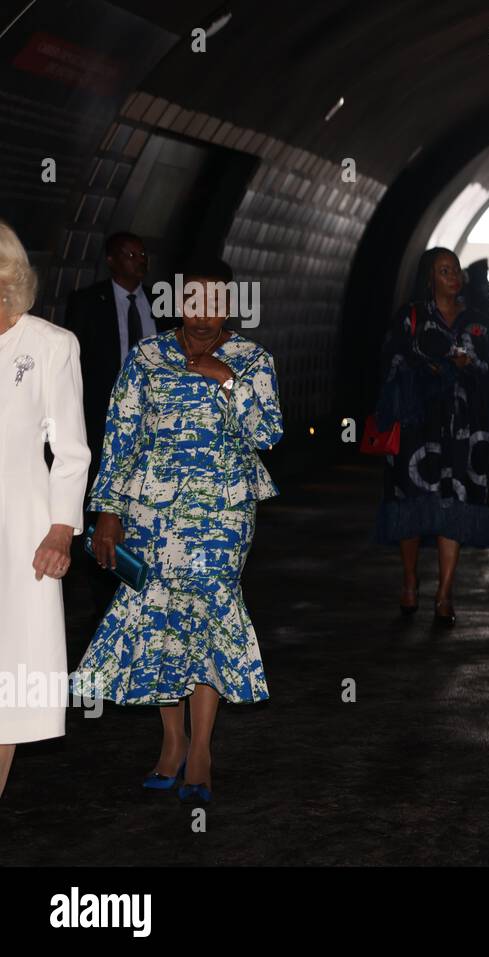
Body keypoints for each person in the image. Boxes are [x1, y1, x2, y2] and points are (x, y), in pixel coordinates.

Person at [71, 258, 283, 804]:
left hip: (222, 514)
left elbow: (269, 433)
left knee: (209, 613)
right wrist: (107, 511)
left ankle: (203, 750)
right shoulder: (146, 358)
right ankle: (172, 741)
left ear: (230, 307)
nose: (203, 315)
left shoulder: (252, 360)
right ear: (176, 304)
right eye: (193, 302)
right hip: (151, 512)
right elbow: (119, 437)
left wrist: (230, 382)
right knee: (161, 618)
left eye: (215, 304)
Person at [0, 221, 92, 797]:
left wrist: (61, 529)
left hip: (21, 531)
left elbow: (71, 450)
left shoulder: (51, 345)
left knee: (9, 680)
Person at [377, 247, 489, 624]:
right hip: (418, 427)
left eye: (456, 270)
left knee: (456, 505)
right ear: (429, 277)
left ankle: (445, 593)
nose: (453, 277)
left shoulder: (479, 323)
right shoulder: (411, 318)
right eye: (444, 271)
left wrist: (469, 364)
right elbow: (390, 363)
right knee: (412, 503)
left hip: (465, 427)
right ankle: (411, 580)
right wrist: (430, 364)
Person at [63, 232, 175, 617]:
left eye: (143, 254)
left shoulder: (163, 305)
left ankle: (148, 596)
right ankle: (104, 598)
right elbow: (73, 373)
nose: (138, 261)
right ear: (111, 260)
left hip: (156, 433)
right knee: (104, 517)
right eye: (129, 255)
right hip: (104, 430)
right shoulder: (86, 304)